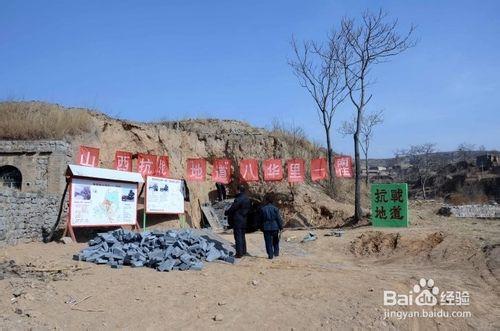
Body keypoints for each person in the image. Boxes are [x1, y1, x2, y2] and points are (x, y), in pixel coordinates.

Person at [224, 185, 251, 258]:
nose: (235, 191)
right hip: (244, 220)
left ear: (239, 190)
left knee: (238, 237)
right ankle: (244, 251)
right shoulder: (247, 199)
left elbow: (233, 208)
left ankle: (239, 253)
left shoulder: (239, 199)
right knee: (242, 236)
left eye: (236, 190)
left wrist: (227, 212)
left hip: (237, 220)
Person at [259, 193, 283, 259]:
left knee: (268, 242)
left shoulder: (263, 209)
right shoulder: (275, 209)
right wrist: (281, 226)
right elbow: (278, 219)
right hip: (275, 227)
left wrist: (261, 227)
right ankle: (276, 253)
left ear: (266, 200)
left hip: (266, 227)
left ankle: (270, 254)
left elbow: (261, 220)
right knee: (275, 241)